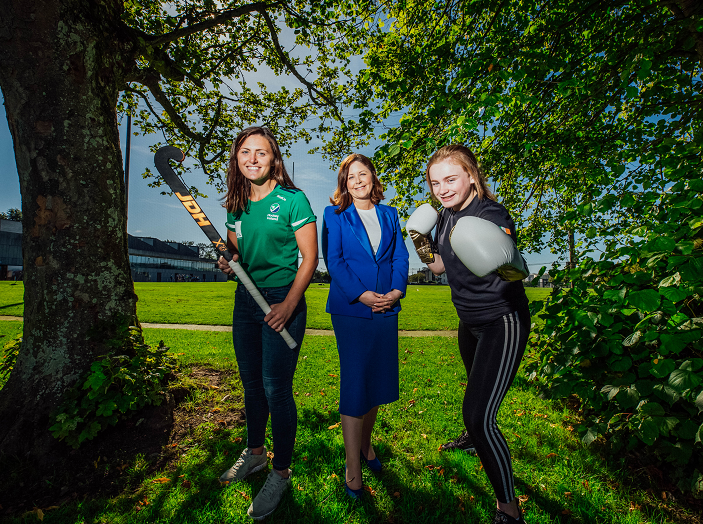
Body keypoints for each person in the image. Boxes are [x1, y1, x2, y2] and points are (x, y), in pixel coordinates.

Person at [407, 145, 530, 523]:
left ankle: (509, 511)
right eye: (435, 182)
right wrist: (418, 237)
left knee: (479, 416)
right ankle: (474, 440)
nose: (442, 188)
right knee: (475, 394)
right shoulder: (444, 216)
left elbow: (512, 270)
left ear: (472, 176)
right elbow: (440, 267)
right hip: (469, 322)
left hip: (502, 321)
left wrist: (499, 253)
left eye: (450, 179)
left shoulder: (490, 213)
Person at [216, 126, 318, 520]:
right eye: (245, 152)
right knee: (252, 386)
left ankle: (280, 471)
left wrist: (289, 305)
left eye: (261, 153)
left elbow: (309, 258)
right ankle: (255, 454)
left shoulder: (292, 200)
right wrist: (226, 263)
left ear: (274, 159)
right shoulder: (236, 204)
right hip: (246, 303)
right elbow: (235, 255)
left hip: (282, 300)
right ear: (237, 159)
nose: (253, 159)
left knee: (277, 389)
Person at [321, 154, 408, 499]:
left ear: (372, 177)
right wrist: (362, 295)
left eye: (362, 173)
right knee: (357, 382)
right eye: (350, 176)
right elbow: (334, 260)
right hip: (352, 309)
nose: (357, 180)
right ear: (344, 183)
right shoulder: (334, 214)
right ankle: (352, 465)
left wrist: (396, 290)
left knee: (378, 381)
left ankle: (366, 446)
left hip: (388, 306)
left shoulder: (389, 213)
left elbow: (400, 255)